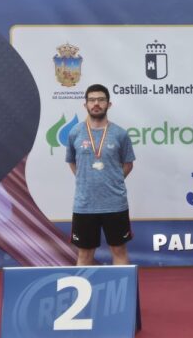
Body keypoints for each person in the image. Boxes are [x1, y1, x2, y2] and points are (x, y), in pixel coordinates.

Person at [66, 84, 135, 266]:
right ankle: (84, 294)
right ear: (86, 105)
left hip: (115, 204)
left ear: (108, 104)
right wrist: (86, 180)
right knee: (84, 254)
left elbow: (128, 164)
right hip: (85, 205)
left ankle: (122, 295)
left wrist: (113, 180)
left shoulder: (120, 134)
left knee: (119, 250)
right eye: (92, 100)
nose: (96, 103)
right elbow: (72, 163)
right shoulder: (75, 133)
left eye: (101, 100)